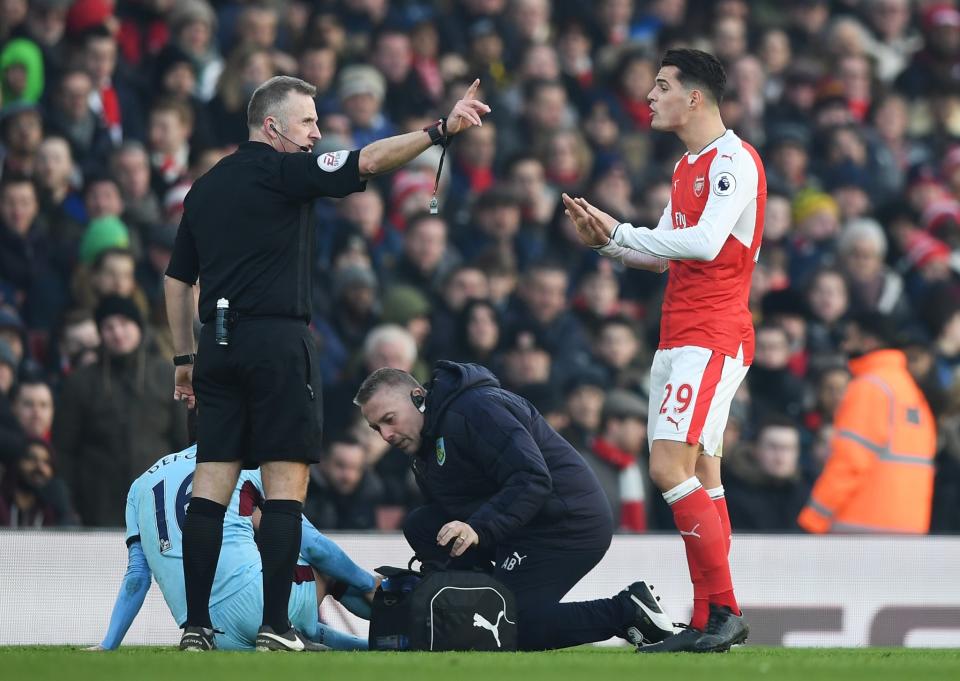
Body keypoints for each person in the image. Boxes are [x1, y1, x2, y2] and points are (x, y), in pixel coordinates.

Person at [163, 74, 490, 652]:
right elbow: (368, 160)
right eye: (308, 122)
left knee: (212, 484)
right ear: (273, 127)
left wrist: (183, 360)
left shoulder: (204, 188)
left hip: (214, 346)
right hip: (277, 342)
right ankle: (274, 626)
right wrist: (439, 130)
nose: (316, 133)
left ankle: (195, 628)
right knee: (285, 489)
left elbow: (176, 282)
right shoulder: (288, 171)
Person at [562, 48, 765, 652]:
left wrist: (624, 231)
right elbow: (662, 255)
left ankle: (723, 610)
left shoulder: (734, 161)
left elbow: (702, 243)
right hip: (682, 333)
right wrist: (606, 241)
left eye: (661, 86)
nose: (650, 97)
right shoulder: (686, 167)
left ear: (694, 97)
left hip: (713, 334)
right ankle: (707, 619)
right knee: (701, 471)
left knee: (667, 469)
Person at [353, 362, 677, 652]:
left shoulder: (476, 408)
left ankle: (628, 611)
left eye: (389, 420)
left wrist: (477, 528)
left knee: (507, 627)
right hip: (525, 524)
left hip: (568, 522)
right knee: (422, 525)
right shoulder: (428, 442)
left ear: (417, 396)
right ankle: (464, 610)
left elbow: (532, 478)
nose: (385, 435)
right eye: (375, 428)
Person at [89, 444, 377, 652]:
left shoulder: (141, 485)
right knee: (318, 566)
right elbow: (316, 547)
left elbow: (137, 577)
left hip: (208, 631)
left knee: (296, 619)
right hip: (256, 602)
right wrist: (368, 583)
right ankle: (393, 616)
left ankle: (367, 647)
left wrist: (108, 644)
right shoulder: (247, 465)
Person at [798, 313, 937, 534]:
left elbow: (850, 461)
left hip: (861, 526)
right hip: (909, 525)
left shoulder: (869, 387)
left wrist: (814, 517)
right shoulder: (909, 389)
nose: (844, 344)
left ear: (868, 341)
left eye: (850, 336)